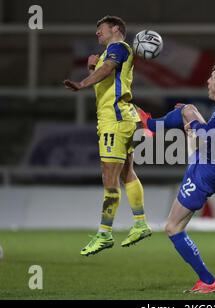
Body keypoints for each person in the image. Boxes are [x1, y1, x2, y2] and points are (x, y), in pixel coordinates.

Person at [137, 61, 215, 293]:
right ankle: (151, 125)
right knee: (187, 109)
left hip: (207, 171)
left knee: (172, 227)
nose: (208, 81)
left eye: (211, 78)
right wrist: (192, 123)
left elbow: (208, 132)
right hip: (209, 160)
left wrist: (195, 126)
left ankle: (208, 280)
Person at [63, 15, 151, 256]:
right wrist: (92, 67)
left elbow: (107, 69)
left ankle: (104, 234)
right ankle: (140, 223)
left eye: (99, 29)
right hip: (123, 118)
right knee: (127, 172)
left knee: (109, 177)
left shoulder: (118, 47)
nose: (96, 33)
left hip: (115, 120)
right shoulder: (111, 52)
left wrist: (83, 81)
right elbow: (105, 77)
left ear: (115, 29)